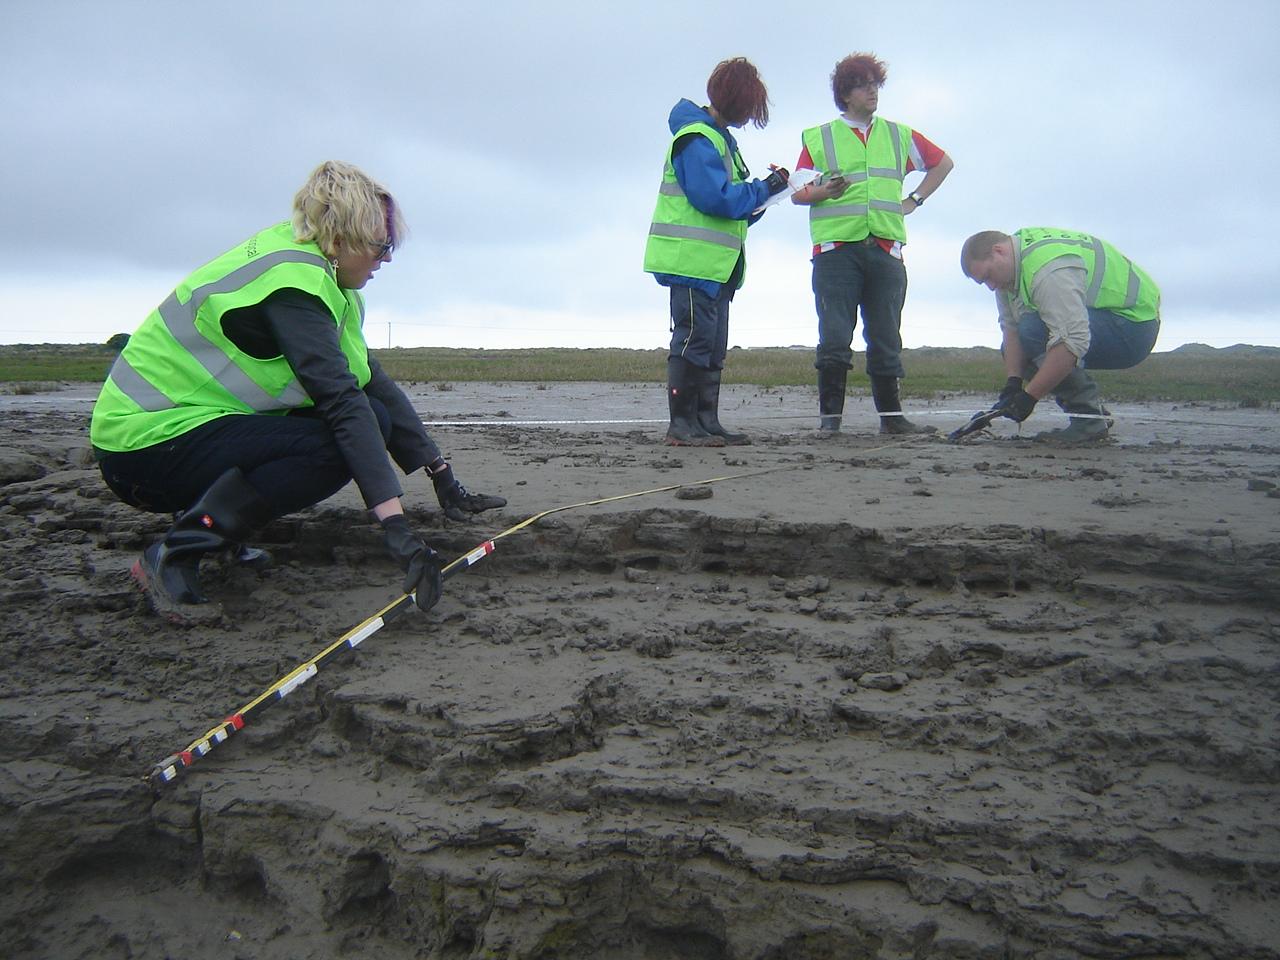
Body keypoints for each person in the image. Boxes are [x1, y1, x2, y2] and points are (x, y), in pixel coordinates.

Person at [90, 161, 505, 616]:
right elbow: (341, 403)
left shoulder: (331, 284)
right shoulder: (291, 284)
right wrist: (396, 529)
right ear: (342, 238)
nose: (386, 259)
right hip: (142, 446)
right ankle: (177, 551)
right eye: (381, 246)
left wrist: (441, 474)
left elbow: (371, 384)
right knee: (335, 445)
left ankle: (218, 530)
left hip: (195, 429)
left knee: (375, 416)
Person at [790, 52, 953, 434]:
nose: (872, 92)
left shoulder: (899, 135)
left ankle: (892, 420)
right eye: (863, 86)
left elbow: (943, 163)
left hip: (885, 248)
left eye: (875, 85)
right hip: (835, 251)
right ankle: (830, 423)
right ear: (845, 93)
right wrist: (826, 191)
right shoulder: (819, 137)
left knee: (886, 336)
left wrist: (915, 200)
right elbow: (798, 193)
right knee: (834, 335)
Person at [643, 56, 791, 446]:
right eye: (749, 107)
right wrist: (765, 188)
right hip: (692, 263)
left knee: (712, 346)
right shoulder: (697, 138)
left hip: (717, 264)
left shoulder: (719, 140)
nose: (750, 116)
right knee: (693, 341)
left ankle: (706, 420)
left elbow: (732, 208)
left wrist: (765, 195)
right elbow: (716, 199)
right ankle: (682, 424)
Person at [959, 227, 1161, 442]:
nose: (991, 287)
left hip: (1133, 327)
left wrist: (1029, 397)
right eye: (984, 282)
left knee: (1032, 330)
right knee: (1021, 341)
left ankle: (1089, 421)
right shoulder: (1009, 273)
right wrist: (1013, 384)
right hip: (1102, 321)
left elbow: (1072, 341)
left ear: (999, 251)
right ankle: (1092, 415)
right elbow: (1011, 330)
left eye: (988, 276)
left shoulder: (1048, 269)